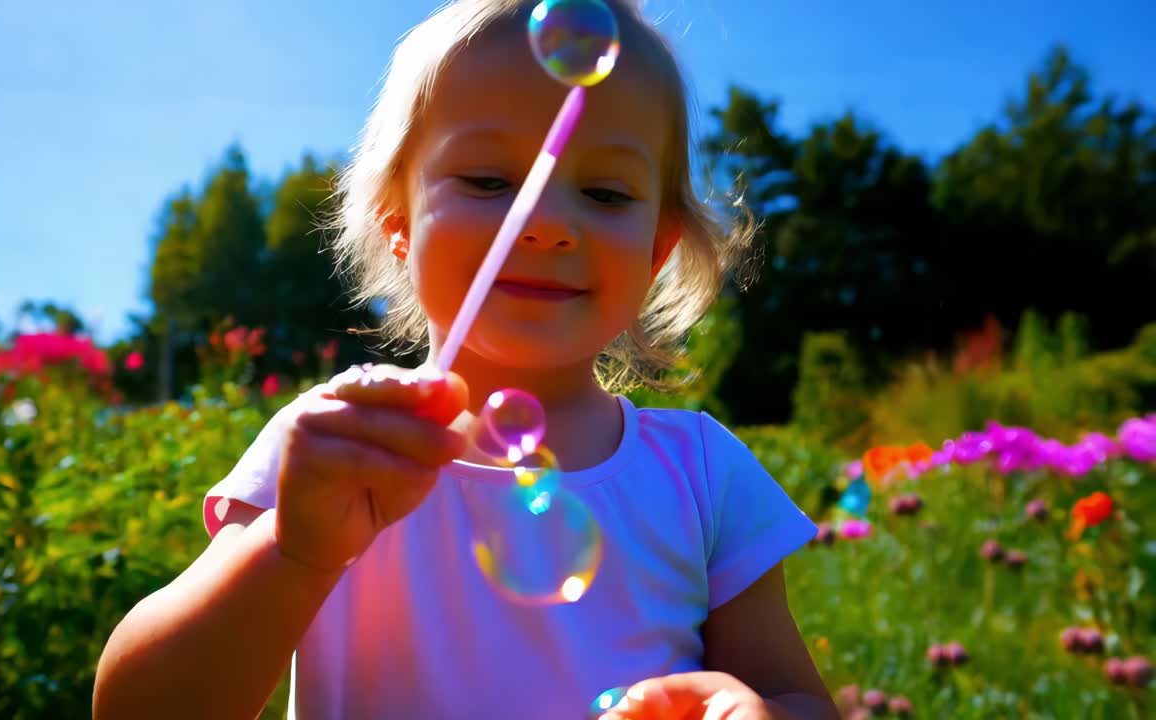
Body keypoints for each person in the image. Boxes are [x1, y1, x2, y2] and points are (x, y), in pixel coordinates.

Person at [93, 1, 838, 718]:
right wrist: (293, 551)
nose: (545, 223)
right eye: (489, 182)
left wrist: (756, 713)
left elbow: (799, 701)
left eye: (606, 193)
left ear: (657, 249)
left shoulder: (704, 476)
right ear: (397, 223)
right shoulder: (335, 443)